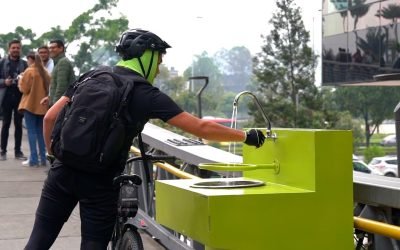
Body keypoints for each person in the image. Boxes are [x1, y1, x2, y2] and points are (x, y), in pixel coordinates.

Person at [24, 29, 266, 250]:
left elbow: (50, 118)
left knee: (40, 238)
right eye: (159, 60)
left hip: (62, 172)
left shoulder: (91, 75)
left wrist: (54, 156)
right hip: (100, 182)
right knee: (92, 244)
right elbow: (201, 128)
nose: (159, 68)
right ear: (146, 55)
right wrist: (246, 135)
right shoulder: (146, 94)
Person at [18, 52, 51, 167]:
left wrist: (20, 79)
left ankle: (33, 159)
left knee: (31, 132)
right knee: (41, 133)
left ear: (30, 60)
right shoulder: (45, 72)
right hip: (42, 106)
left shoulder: (29, 71)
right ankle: (43, 158)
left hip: (30, 106)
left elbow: (24, 89)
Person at [0, 39, 28, 161]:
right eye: (13, 48)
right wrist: (4, 82)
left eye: (18, 48)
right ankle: (3, 150)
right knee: (5, 124)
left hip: (19, 97)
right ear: (9, 49)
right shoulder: (2, 62)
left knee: (18, 125)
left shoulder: (25, 64)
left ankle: (18, 151)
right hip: (5, 97)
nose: (15, 50)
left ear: (20, 49)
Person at [40, 39, 75, 107]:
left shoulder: (63, 62)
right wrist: (49, 98)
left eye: (53, 48)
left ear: (61, 48)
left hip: (61, 105)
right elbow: (55, 86)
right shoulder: (57, 63)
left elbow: (61, 87)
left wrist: (55, 105)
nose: (50, 50)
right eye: (49, 48)